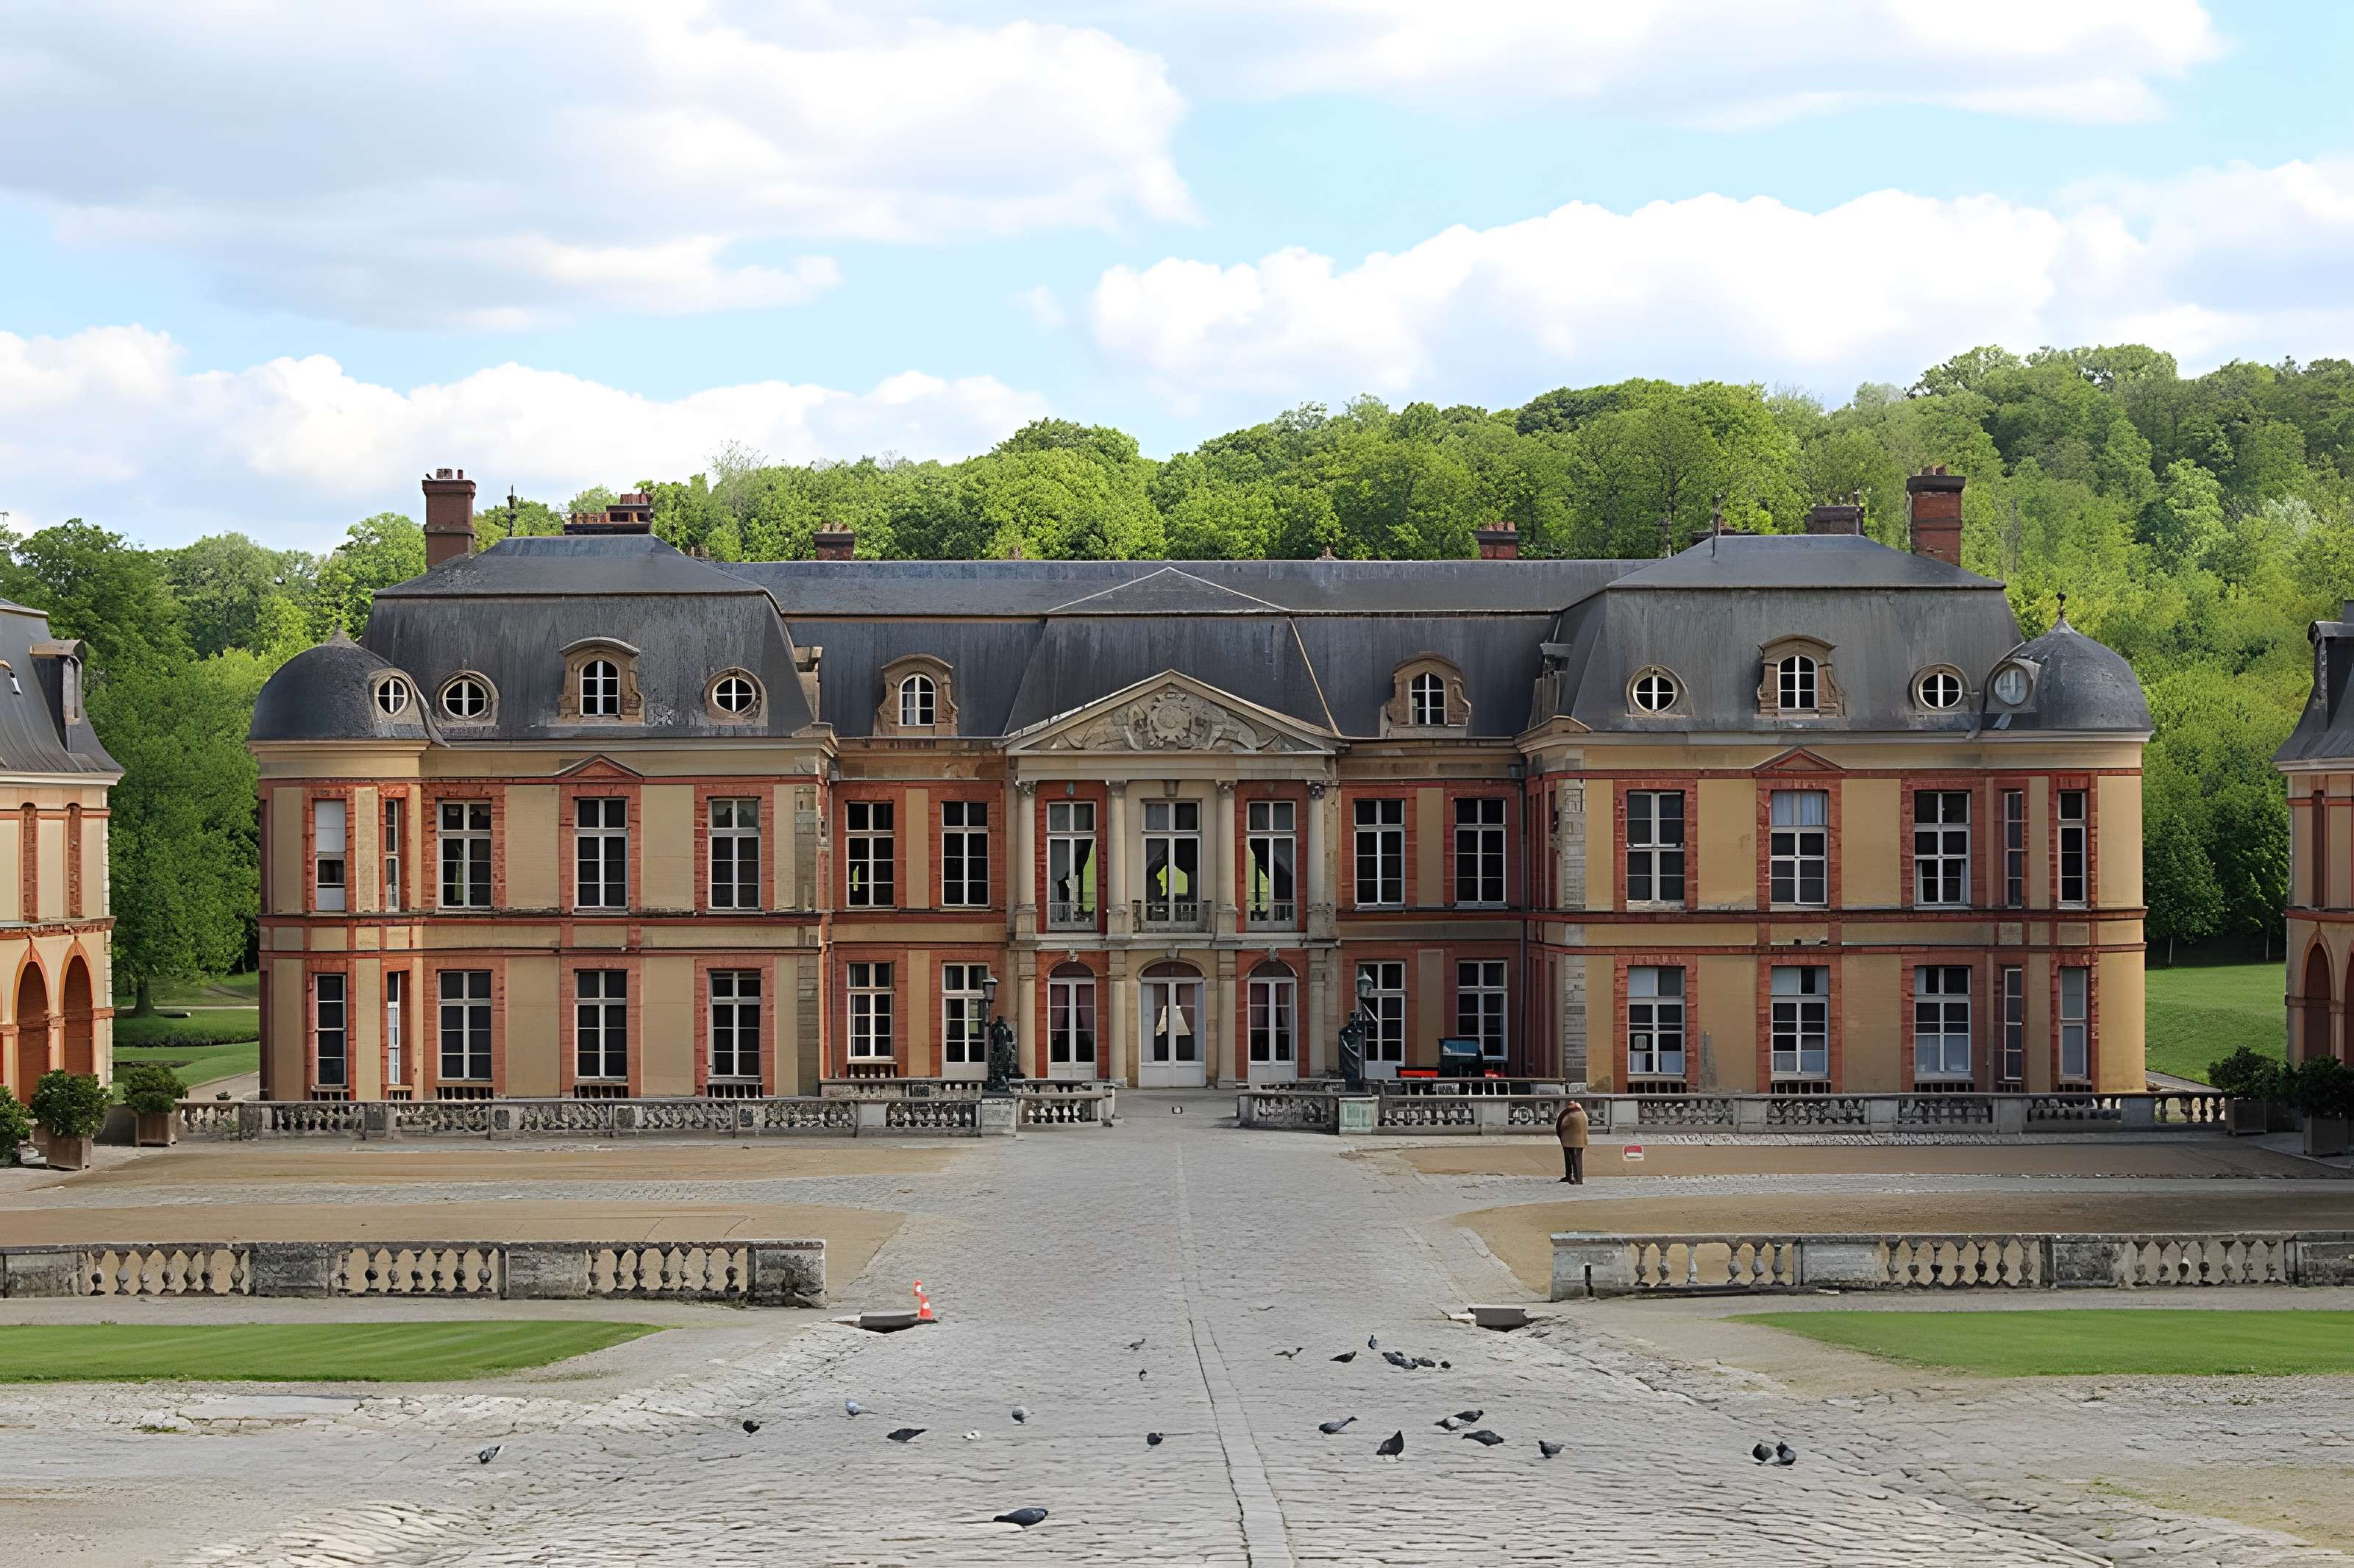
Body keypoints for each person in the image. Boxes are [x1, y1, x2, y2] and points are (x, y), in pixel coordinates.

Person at [1554, 1097, 1589, 1185]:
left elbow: (1562, 1125)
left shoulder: (1570, 1115)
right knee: (1576, 1160)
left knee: (1572, 1160)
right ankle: (1575, 1177)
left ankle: (1575, 1178)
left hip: (1570, 1141)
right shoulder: (1583, 1114)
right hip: (1579, 1141)